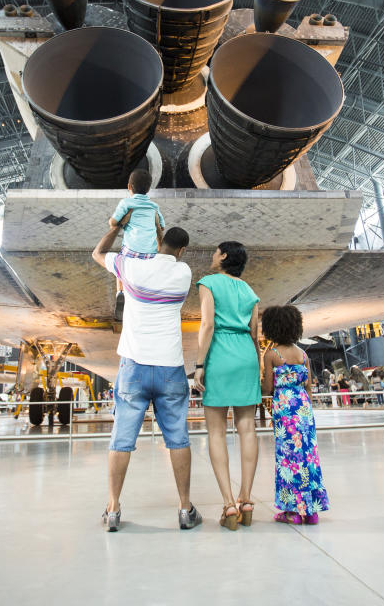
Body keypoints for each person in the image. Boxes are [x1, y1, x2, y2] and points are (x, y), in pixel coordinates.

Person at [91, 219, 199, 532]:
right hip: (169, 367)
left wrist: (115, 227)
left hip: (134, 367)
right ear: (182, 251)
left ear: (156, 244)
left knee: (121, 440)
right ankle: (184, 509)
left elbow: (98, 253)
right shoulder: (183, 273)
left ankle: (113, 509)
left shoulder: (131, 268)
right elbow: (169, 255)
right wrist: (162, 236)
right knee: (177, 438)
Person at [193, 241, 262, 531]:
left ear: (223, 256)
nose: (212, 256)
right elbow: (255, 333)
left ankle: (229, 504)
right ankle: (246, 500)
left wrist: (199, 365)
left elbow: (207, 324)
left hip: (220, 353)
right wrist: (257, 365)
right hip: (246, 354)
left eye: (215, 252)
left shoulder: (208, 283)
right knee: (248, 429)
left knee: (217, 432)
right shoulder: (250, 291)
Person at [260, 305, 328, 525]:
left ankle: (292, 511)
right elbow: (308, 386)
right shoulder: (303, 354)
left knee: (289, 458)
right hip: (304, 410)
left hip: (285, 411)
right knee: (308, 457)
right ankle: (311, 510)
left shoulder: (272, 355)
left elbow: (268, 388)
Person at [109, 168, 165, 317]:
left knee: (120, 266)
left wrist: (121, 221)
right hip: (150, 252)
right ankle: (144, 298)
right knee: (145, 273)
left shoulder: (126, 203)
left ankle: (120, 292)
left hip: (131, 249)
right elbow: (162, 226)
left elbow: (113, 223)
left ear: (129, 187)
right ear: (148, 189)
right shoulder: (154, 206)